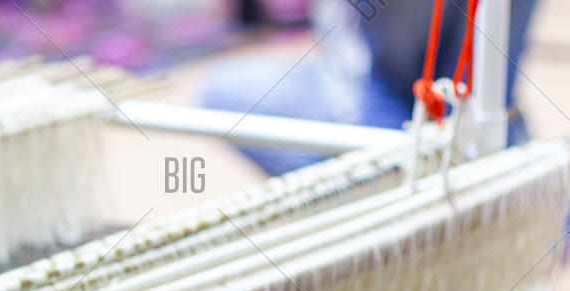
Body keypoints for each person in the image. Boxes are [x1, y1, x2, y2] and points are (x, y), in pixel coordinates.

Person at [203, 0, 540, 175]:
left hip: (445, 112)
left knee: (475, 122)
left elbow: (476, 99)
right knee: (221, 97)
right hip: (382, 100)